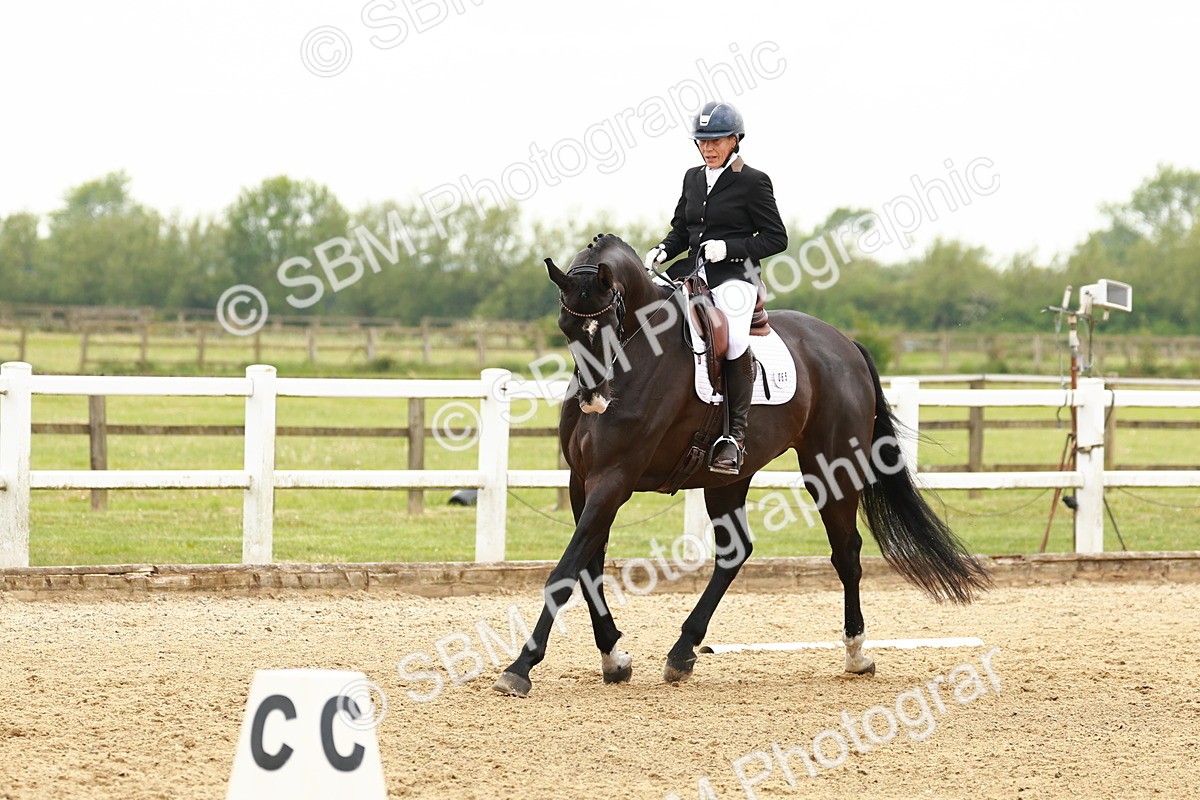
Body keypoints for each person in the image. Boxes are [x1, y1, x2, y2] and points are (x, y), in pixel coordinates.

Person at [643, 100, 788, 475]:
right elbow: (681, 230)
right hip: (691, 271)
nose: (708, 148)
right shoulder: (692, 177)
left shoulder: (754, 181)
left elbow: (776, 238)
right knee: (650, 317)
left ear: (735, 140)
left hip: (736, 277)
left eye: (716, 141)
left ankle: (734, 438)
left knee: (736, 339)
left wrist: (731, 247)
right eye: (702, 142)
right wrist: (663, 249)